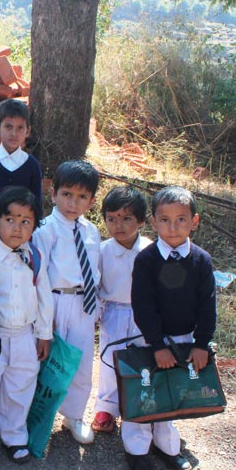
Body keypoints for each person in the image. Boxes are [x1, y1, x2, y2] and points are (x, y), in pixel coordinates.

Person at [128, 185, 215, 470]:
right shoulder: (147, 260)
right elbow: (143, 305)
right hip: (150, 339)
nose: (173, 227)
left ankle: (167, 447)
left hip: (185, 340)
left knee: (172, 394)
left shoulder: (201, 260)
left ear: (195, 221)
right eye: (165, 219)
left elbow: (208, 303)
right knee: (145, 392)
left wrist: (201, 344)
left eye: (181, 219)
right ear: (153, 222)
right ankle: (136, 450)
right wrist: (157, 344)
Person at [0, 187, 53, 464]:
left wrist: (43, 334)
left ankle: (14, 435)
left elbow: (43, 297)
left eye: (25, 221)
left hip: (25, 336)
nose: (17, 228)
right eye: (10, 219)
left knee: (20, 386)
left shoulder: (35, 257)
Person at [32, 160, 101, 445]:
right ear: (53, 193)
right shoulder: (45, 230)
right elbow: (41, 278)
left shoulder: (92, 232)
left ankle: (73, 415)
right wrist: (44, 325)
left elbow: (95, 271)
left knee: (81, 362)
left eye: (82, 197)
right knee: (46, 361)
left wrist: (96, 309)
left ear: (92, 201)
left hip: (83, 305)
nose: (73, 203)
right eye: (67, 194)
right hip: (55, 302)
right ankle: (33, 417)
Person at [92, 186, 152, 434]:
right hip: (114, 312)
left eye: (127, 218)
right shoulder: (102, 250)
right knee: (110, 360)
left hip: (144, 314)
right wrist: (95, 315)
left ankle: (141, 405)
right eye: (112, 219)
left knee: (143, 360)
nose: (119, 225)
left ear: (141, 221)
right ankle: (107, 408)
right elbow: (95, 283)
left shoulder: (151, 250)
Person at [0, 99, 43, 216]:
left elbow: (37, 204)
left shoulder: (32, 165)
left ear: (28, 131)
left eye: (20, 128)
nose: (14, 133)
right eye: (8, 127)